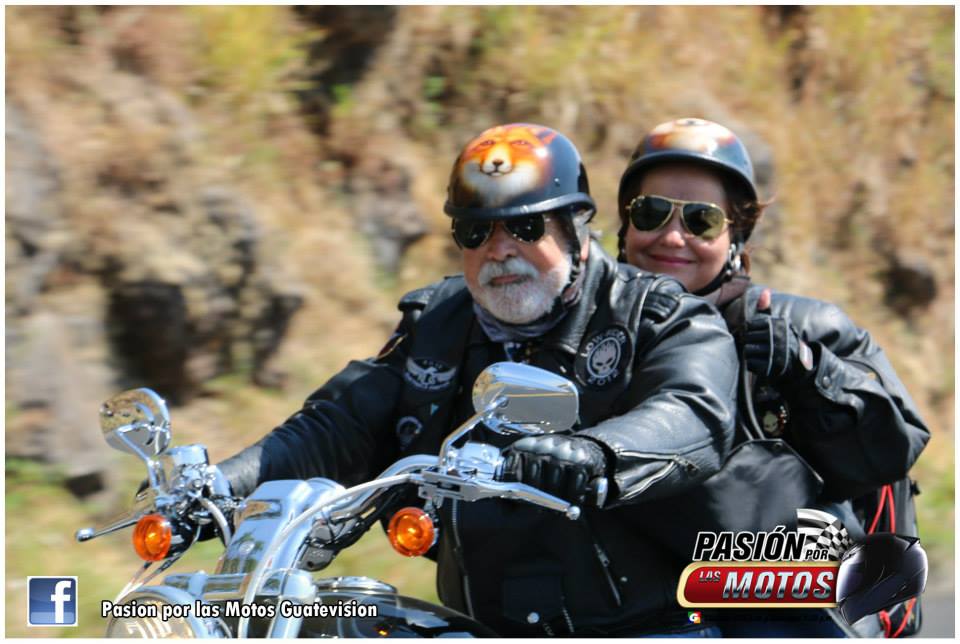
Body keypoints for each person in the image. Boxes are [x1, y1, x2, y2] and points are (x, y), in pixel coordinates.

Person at [216, 123, 740, 636]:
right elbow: (337, 424)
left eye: (525, 228)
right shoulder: (437, 323)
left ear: (576, 230)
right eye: (476, 231)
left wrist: (596, 453)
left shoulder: (658, 314)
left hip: (645, 626)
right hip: (482, 626)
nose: (499, 249)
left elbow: (692, 411)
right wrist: (219, 485)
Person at [616, 117, 930, 636]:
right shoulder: (584, 334)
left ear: (736, 235)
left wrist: (810, 370)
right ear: (624, 224)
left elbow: (892, 448)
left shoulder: (808, 325)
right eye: (650, 213)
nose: (672, 236)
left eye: (701, 220)